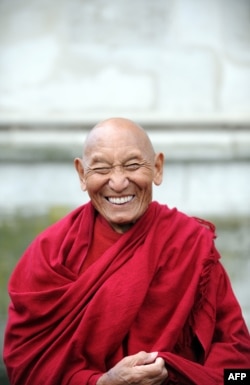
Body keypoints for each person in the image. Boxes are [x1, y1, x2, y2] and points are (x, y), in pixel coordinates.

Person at [3, 117, 250, 385]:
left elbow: (240, 373)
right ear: (81, 174)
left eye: (133, 165)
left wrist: (178, 375)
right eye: (101, 168)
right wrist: (100, 383)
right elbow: (25, 366)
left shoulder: (189, 244)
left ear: (157, 168)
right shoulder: (52, 254)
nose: (119, 183)